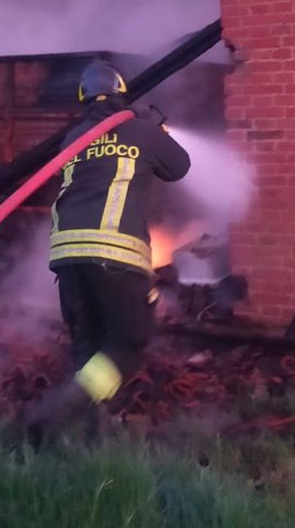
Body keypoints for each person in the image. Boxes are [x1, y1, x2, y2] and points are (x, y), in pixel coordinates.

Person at [24, 60, 190, 447]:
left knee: (89, 347)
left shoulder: (73, 140)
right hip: (115, 256)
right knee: (127, 345)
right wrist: (157, 131)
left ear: (83, 97)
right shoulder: (140, 131)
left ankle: (91, 441)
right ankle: (51, 416)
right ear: (122, 93)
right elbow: (179, 166)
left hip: (66, 258)